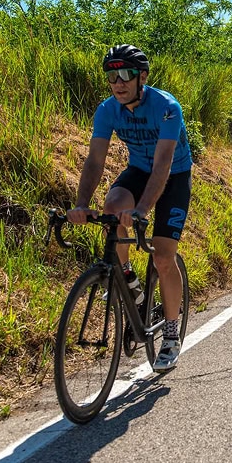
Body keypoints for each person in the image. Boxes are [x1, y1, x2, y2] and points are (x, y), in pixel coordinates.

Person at [67, 44, 192, 372]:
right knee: (112, 207)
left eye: (126, 74)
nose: (118, 82)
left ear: (143, 77)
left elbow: (163, 162)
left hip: (173, 176)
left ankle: (170, 333)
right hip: (139, 170)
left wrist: (144, 209)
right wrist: (81, 204)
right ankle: (128, 281)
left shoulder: (166, 107)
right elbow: (95, 161)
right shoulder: (107, 110)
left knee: (163, 257)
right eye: (112, 75)